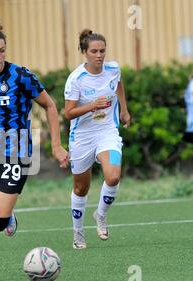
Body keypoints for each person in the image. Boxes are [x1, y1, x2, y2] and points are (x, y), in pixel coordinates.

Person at [0, 21, 69, 281]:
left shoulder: (21, 76)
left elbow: (50, 106)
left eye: (2, 51)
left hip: (15, 153)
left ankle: (6, 216)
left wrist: (56, 145)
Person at [63, 29, 131, 250]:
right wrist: (93, 105)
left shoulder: (113, 69)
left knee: (113, 176)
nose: (99, 55)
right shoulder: (76, 79)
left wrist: (124, 109)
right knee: (81, 188)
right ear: (85, 52)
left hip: (107, 132)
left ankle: (100, 215)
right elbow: (68, 113)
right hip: (82, 137)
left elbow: (119, 85)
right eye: (94, 51)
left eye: (102, 51)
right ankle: (78, 233)